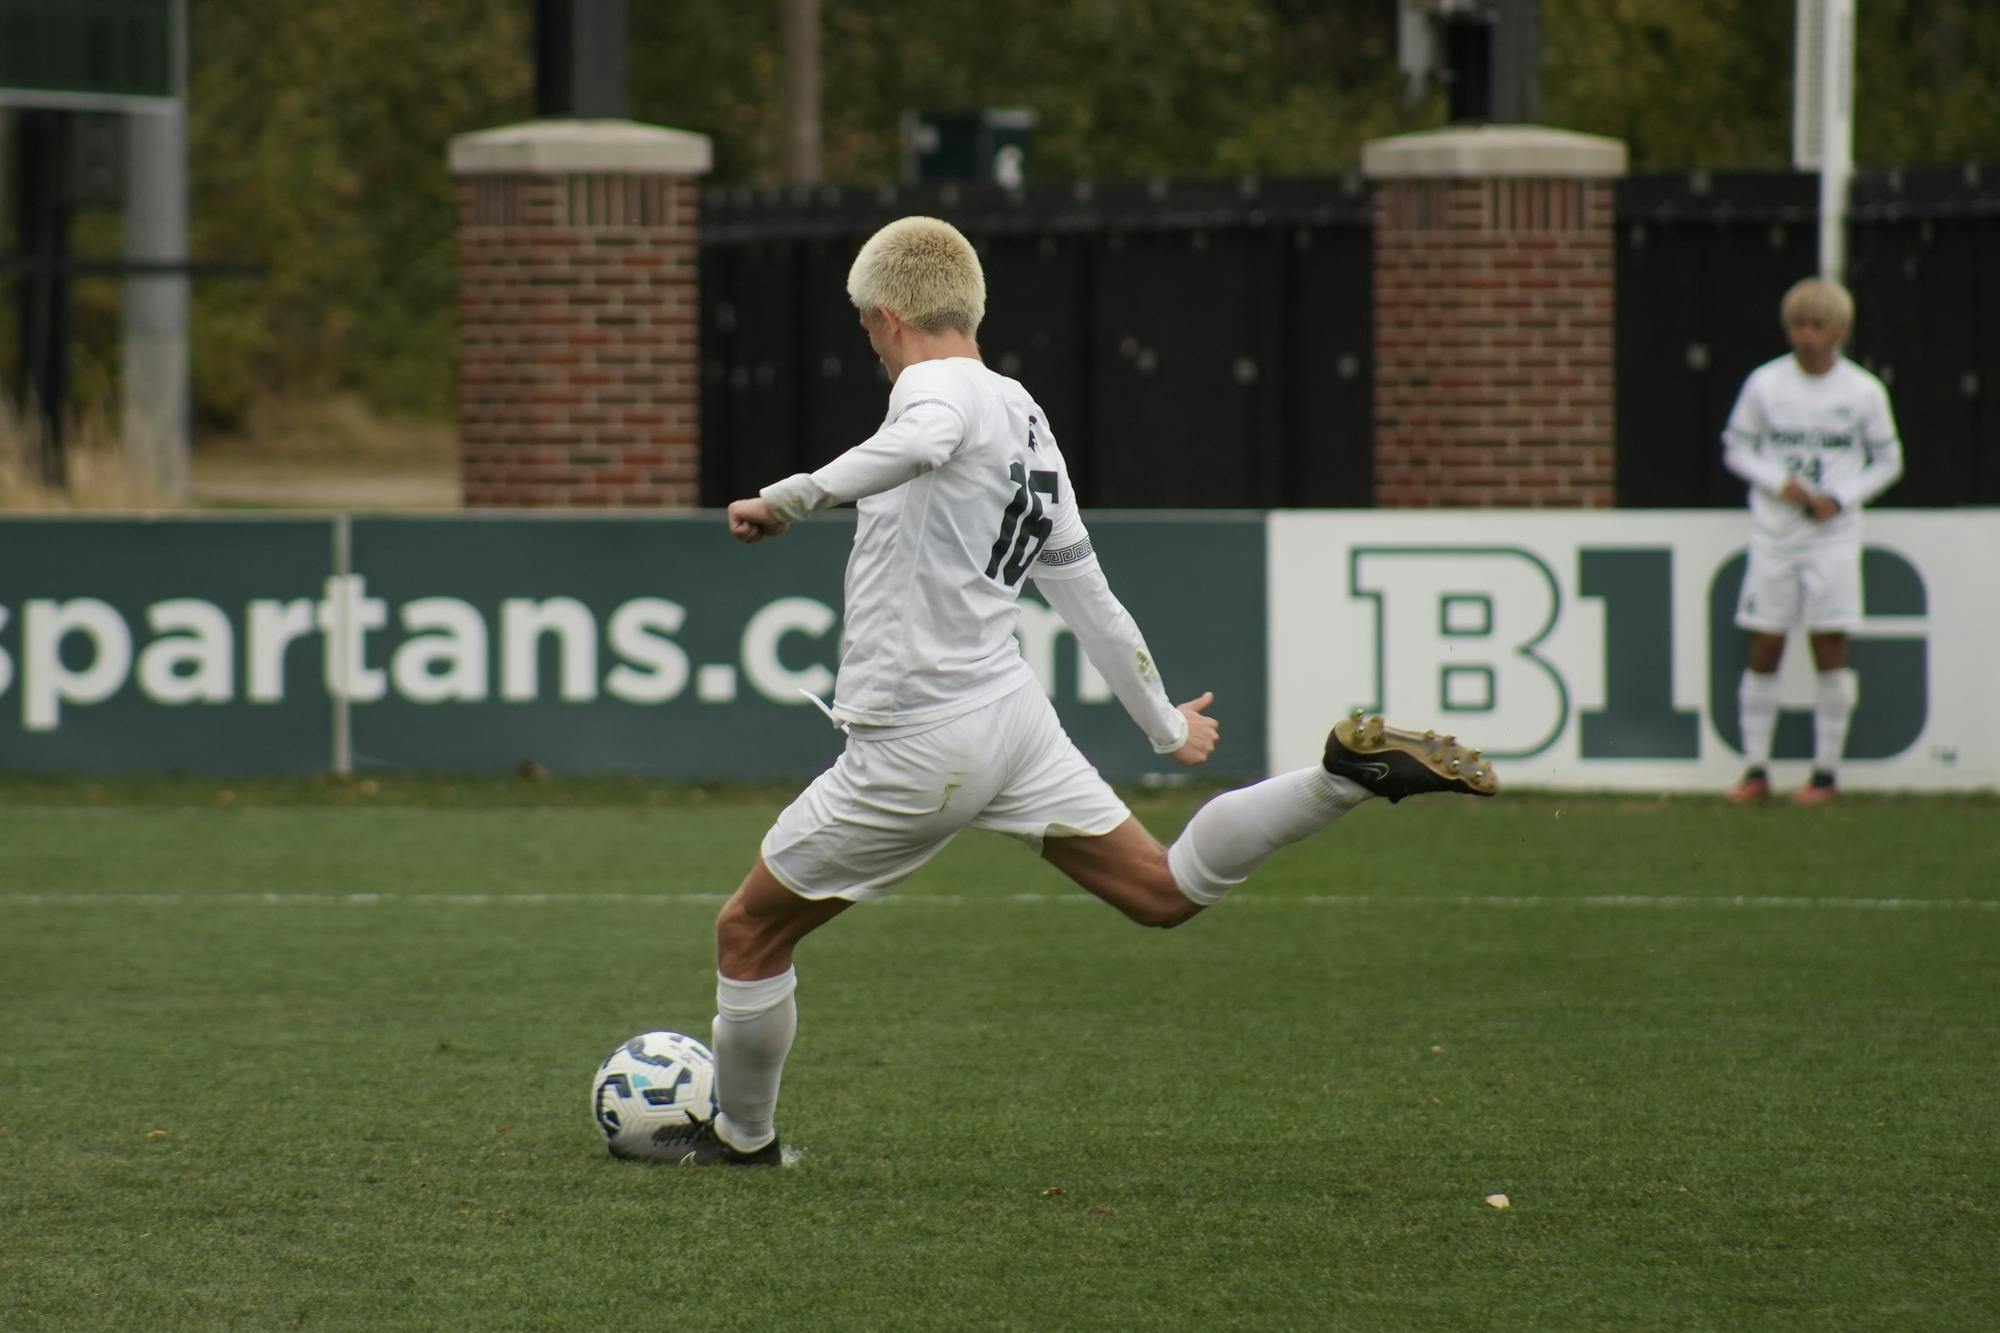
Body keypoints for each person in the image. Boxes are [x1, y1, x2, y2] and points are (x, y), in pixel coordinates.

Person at [652, 216, 1498, 1167]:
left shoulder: (932, 391)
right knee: (1164, 891)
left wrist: (787, 498)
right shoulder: (1026, 413)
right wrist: (1163, 721)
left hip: (921, 741)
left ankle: (742, 1137)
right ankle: (1341, 777)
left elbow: (922, 437)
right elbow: (1086, 590)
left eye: (866, 329)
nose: (874, 350)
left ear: (886, 318)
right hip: (1010, 719)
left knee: (748, 931)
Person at [1721, 277, 1904, 806]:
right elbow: (1736, 447)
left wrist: (1841, 497)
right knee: (1765, 641)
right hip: (1775, 536)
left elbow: (1889, 460)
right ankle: (1756, 769)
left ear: (1839, 331)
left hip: (1832, 538)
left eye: (1817, 326)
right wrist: (1780, 483)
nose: (1806, 335)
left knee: (1829, 643)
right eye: (1798, 325)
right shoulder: (1765, 384)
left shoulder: (1863, 391)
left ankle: (1825, 774)